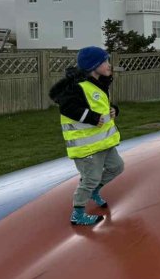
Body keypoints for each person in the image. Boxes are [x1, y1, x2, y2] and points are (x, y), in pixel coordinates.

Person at [49, 46, 124, 226]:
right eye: (104, 61)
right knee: (90, 178)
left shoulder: (98, 83)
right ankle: (78, 213)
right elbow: (67, 107)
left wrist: (114, 109)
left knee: (117, 167)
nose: (109, 64)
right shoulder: (77, 87)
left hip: (103, 143)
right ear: (93, 66)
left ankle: (93, 191)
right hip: (86, 146)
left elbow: (99, 105)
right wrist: (91, 118)